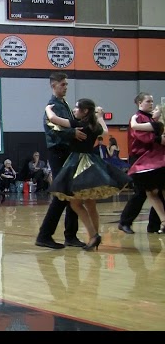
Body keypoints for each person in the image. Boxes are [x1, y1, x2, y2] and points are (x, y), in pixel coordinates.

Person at [46, 99, 131, 251]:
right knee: (90, 204)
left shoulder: (78, 124)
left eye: (77, 108)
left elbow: (53, 119)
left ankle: (93, 235)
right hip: (92, 162)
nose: (74, 109)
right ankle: (95, 236)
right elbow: (105, 132)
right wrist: (100, 117)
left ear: (85, 111)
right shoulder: (94, 125)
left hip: (78, 162)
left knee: (76, 203)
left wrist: (48, 108)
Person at [35, 71, 87, 250]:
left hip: (66, 151)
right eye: (62, 84)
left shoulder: (63, 104)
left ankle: (70, 235)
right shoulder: (52, 105)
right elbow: (54, 129)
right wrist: (73, 132)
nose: (65, 87)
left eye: (66, 84)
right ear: (53, 85)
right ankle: (44, 235)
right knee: (62, 194)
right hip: (58, 152)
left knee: (70, 194)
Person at [117, 93, 163, 234]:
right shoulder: (136, 118)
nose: (151, 104)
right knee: (141, 192)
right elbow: (144, 138)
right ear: (139, 103)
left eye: (152, 101)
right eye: (148, 101)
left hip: (152, 160)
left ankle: (154, 226)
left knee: (158, 191)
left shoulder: (150, 118)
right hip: (139, 159)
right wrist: (159, 136)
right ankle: (125, 222)